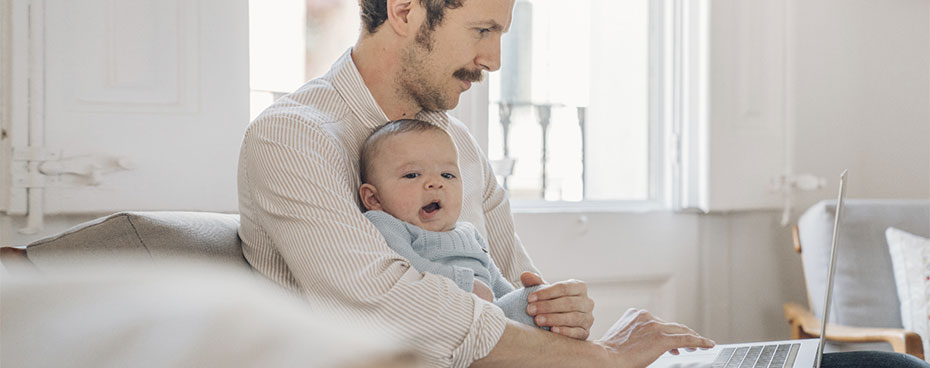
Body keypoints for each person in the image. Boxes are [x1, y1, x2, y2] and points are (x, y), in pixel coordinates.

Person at [238, 0, 929, 367]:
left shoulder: (460, 147)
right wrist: (597, 361)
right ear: (407, 10)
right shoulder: (294, 136)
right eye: (482, 29)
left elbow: (522, 289)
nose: (494, 59)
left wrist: (566, 318)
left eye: (503, 32)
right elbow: (388, 303)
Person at [358, 118, 546, 328]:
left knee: (539, 299)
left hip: (492, 317)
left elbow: (495, 279)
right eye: (412, 175)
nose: (435, 183)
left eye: (447, 175)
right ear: (373, 199)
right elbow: (407, 270)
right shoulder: (387, 224)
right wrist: (464, 284)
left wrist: (522, 298)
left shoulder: (468, 232)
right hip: (445, 320)